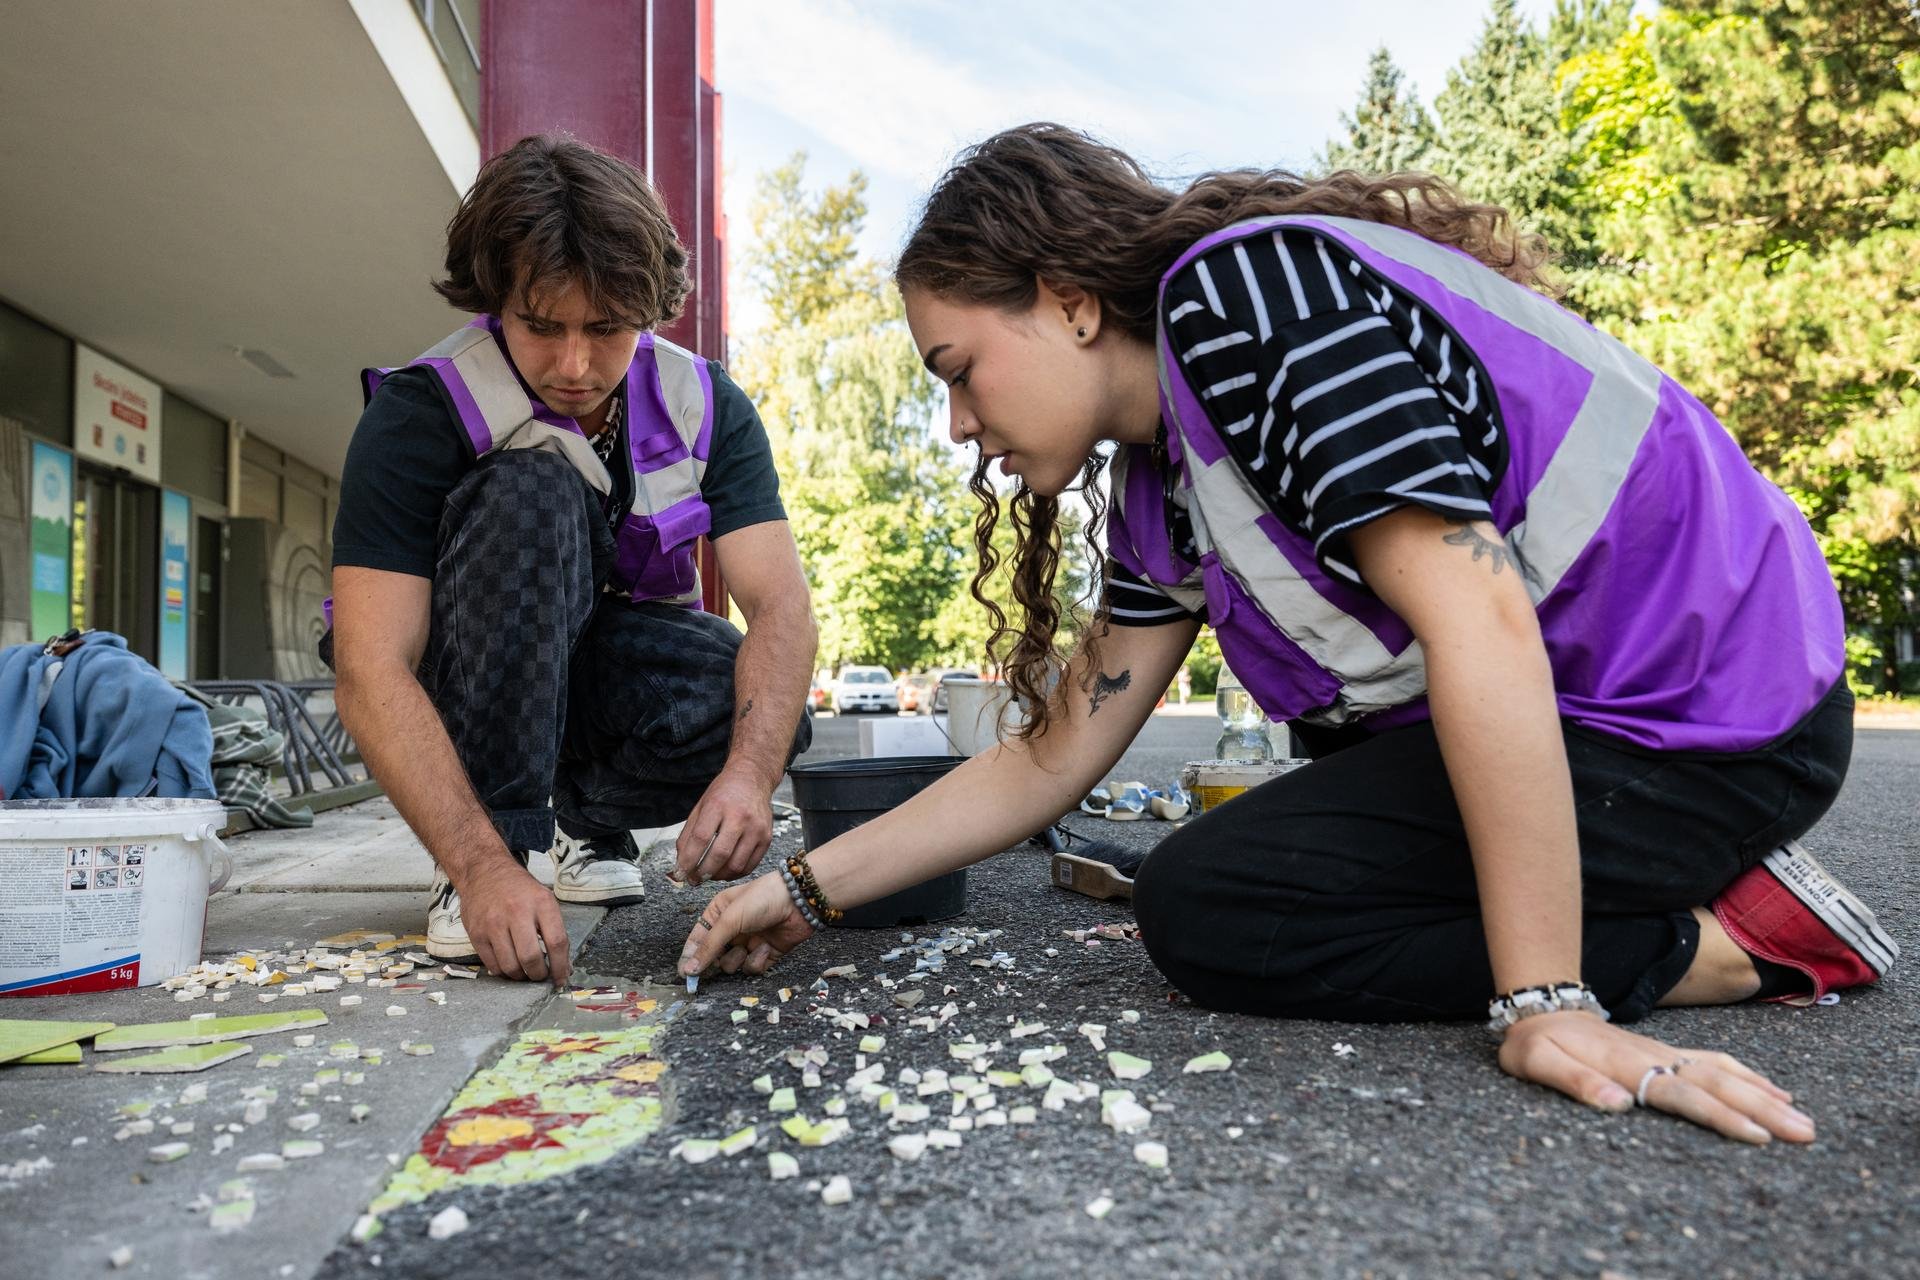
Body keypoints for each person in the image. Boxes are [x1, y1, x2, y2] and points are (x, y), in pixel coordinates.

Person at [678, 123, 1899, 1145]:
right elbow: (1056, 751)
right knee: (1213, 897)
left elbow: (1477, 612)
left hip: (1710, 720)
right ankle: (1661, 901)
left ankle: (1731, 940)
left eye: (959, 369)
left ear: (1068, 301)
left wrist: (1546, 999)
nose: (955, 424)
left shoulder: (1246, 303)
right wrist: (806, 888)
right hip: (1601, 724)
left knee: (1213, 904)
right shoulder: (1166, 483)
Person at [329, 134, 815, 986]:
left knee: (754, 711)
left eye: (608, 327)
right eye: (541, 327)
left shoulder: (706, 403)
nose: (575, 366)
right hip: (458, 680)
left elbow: (780, 610)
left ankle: (576, 825)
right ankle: (499, 842)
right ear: (495, 302)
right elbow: (371, 665)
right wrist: (483, 866)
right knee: (532, 493)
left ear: (651, 309)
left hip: (590, 674)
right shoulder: (421, 409)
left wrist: (747, 774)